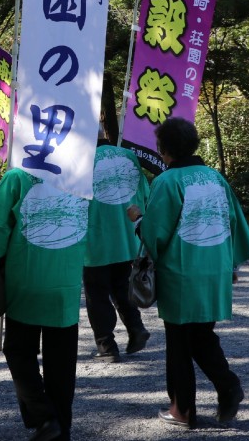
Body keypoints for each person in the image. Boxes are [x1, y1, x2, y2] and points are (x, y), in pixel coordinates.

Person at [127, 117, 249, 429]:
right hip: (215, 268)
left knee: (179, 342)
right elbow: (234, 223)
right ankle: (227, 387)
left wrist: (137, 220)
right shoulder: (215, 178)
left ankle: (183, 409)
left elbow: (156, 232)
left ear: (163, 150)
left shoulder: (168, 182)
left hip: (182, 273)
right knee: (201, 336)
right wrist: (232, 266)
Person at [0, 168, 90, 441]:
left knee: (18, 350)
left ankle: (44, 416)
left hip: (26, 276)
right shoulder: (81, 173)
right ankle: (60, 427)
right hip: (66, 278)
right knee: (62, 360)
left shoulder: (19, 175)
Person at [83, 139, 151, 363]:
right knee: (122, 287)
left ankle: (107, 346)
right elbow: (145, 192)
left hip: (96, 238)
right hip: (126, 236)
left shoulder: (81, 158)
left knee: (97, 294)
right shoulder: (128, 155)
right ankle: (136, 328)